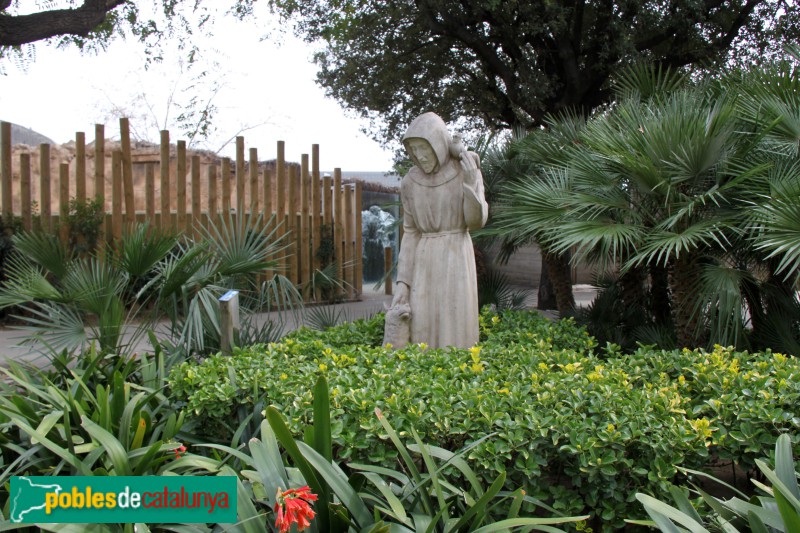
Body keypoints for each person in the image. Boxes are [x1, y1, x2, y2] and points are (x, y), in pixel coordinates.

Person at [386, 112, 488, 349]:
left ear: (439, 144)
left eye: (424, 147)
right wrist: (403, 283)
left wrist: (472, 180)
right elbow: (410, 233)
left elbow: (475, 222)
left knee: (456, 327)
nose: (420, 156)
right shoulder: (410, 182)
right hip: (424, 260)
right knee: (422, 325)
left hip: (456, 256)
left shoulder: (465, 169)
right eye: (414, 149)